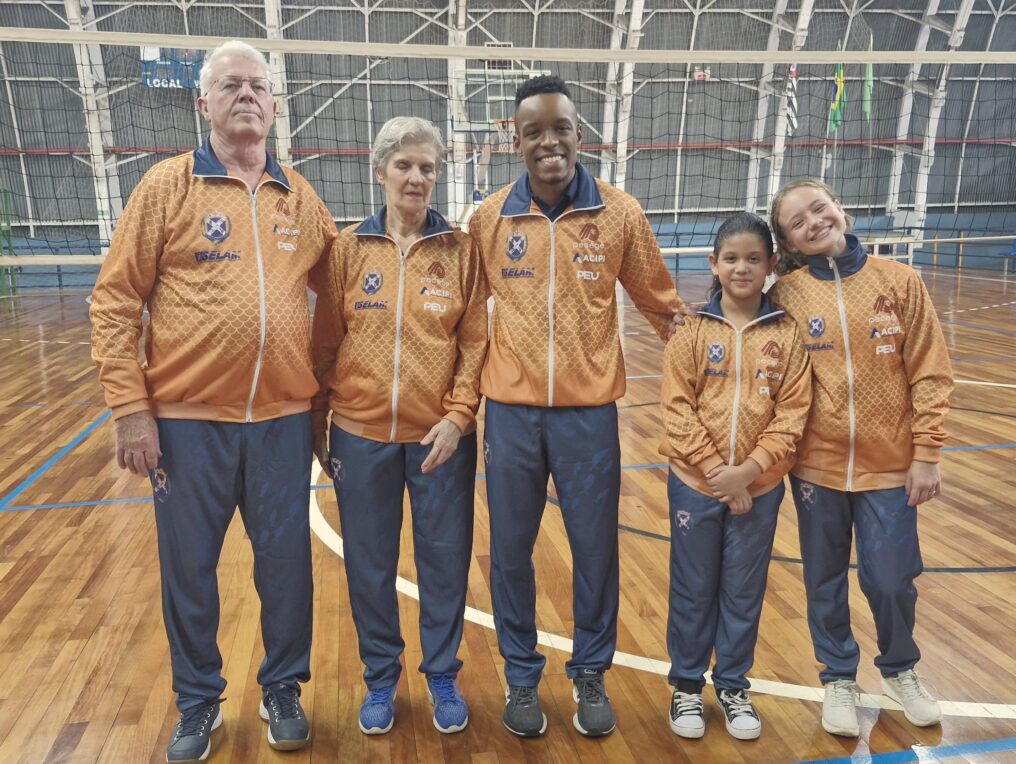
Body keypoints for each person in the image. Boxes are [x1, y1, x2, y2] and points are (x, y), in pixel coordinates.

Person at [89, 40, 337, 762]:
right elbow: (113, 301)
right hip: (187, 427)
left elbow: (344, 296)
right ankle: (198, 702)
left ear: (273, 104)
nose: (247, 96)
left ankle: (283, 687)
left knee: (287, 567)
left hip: (283, 424)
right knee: (190, 571)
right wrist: (131, 408)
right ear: (204, 104)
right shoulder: (167, 188)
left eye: (258, 86)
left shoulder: (301, 198)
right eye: (231, 86)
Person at [468, 74, 684, 738]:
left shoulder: (619, 213)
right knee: (509, 553)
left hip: (590, 417)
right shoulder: (489, 218)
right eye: (532, 131)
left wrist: (711, 385)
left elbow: (665, 311)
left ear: (578, 133)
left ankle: (590, 674)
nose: (548, 141)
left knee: (595, 552)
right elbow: (463, 317)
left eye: (559, 127)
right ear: (515, 139)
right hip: (511, 416)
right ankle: (521, 677)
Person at [311, 116, 487, 737]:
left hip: (438, 440)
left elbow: (474, 344)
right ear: (379, 170)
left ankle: (441, 673)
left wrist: (459, 416)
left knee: (444, 562)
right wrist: (318, 423)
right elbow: (326, 342)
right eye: (405, 165)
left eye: (428, 167)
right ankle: (381, 677)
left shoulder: (462, 251)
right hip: (359, 436)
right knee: (369, 564)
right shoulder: (346, 250)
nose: (417, 177)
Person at [769, 179, 954, 737]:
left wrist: (926, 453)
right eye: (798, 222)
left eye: (819, 208)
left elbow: (930, 371)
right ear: (791, 242)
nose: (814, 222)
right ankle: (839, 679)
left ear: (840, 208)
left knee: (892, 577)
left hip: (890, 466)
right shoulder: (787, 297)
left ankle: (900, 670)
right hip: (815, 469)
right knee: (824, 579)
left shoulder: (899, 282)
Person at [659, 212, 811, 741]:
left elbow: (793, 413)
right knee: (694, 587)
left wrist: (748, 473)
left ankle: (732, 685)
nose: (741, 268)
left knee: (743, 590)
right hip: (694, 484)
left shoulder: (788, 334)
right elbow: (676, 408)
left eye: (752, 259)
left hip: (759, 487)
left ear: (771, 265)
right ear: (713, 265)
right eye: (731, 259)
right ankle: (685, 687)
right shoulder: (692, 330)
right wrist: (714, 471)